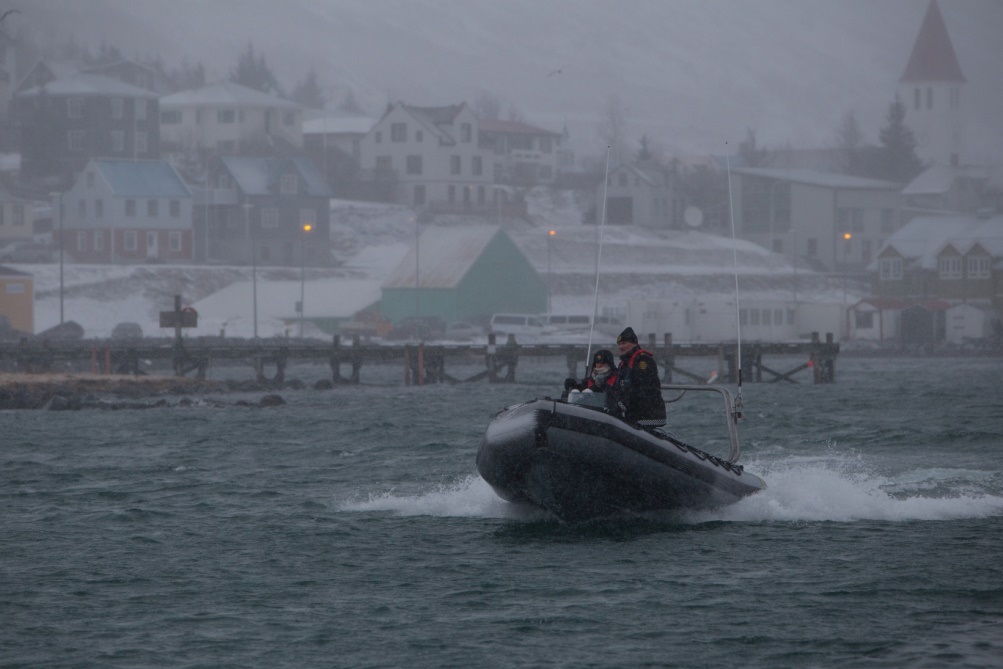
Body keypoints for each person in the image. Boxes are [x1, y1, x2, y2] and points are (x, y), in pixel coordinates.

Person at [612, 326, 666, 428]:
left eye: (624, 343)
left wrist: (621, 405)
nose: (620, 347)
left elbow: (641, 387)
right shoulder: (625, 363)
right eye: (619, 344)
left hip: (647, 415)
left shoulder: (642, 360)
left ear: (634, 344)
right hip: (634, 413)